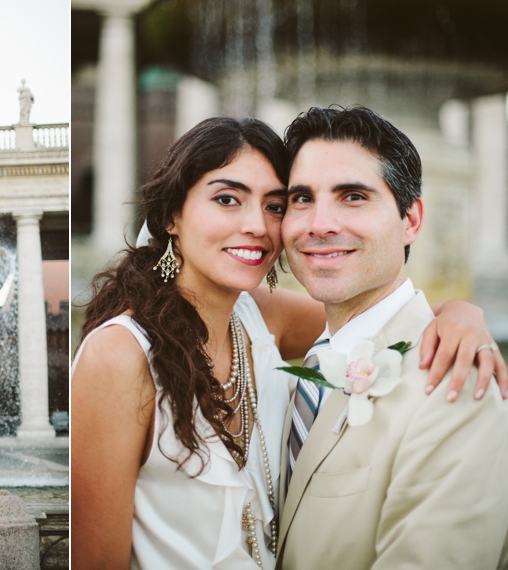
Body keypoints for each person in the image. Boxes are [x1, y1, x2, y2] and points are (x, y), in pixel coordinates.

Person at [71, 117, 505, 570]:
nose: (257, 225)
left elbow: (379, 321)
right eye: (226, 199)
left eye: (275, 205)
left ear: (410, 219)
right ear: (170, 217)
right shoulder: (119, 357)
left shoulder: (262, 316)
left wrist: (463, 313)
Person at [275, 106, 508, 569]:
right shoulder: (286, 367)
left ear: (411, 220)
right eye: (301, 199)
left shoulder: (454, 385)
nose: (319, 224)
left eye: (353, 196)